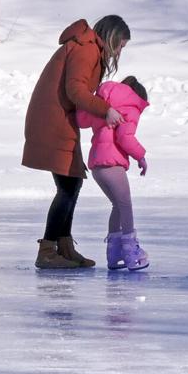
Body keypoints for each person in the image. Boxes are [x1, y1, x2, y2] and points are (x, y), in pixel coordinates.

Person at [24, 15, 129, 268]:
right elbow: (76, 90)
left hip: (57, 117)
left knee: (72, 184)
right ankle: (47, 250)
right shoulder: (87, 49)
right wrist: (106, 110)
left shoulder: (87, 46)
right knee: (68, 187)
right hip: (53, 118)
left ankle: (64, 245)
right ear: (112, 37)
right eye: (120, 45)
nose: (119, 52)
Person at [75, 75, 151, 271]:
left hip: (97, 166)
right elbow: (125, 137)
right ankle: (131, 253)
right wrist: (141, 156)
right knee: (125, 205)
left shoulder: (102, 101)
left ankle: (114, 254)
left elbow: (81, 119)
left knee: (117, 205)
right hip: (113, 163)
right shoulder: (131, 106)